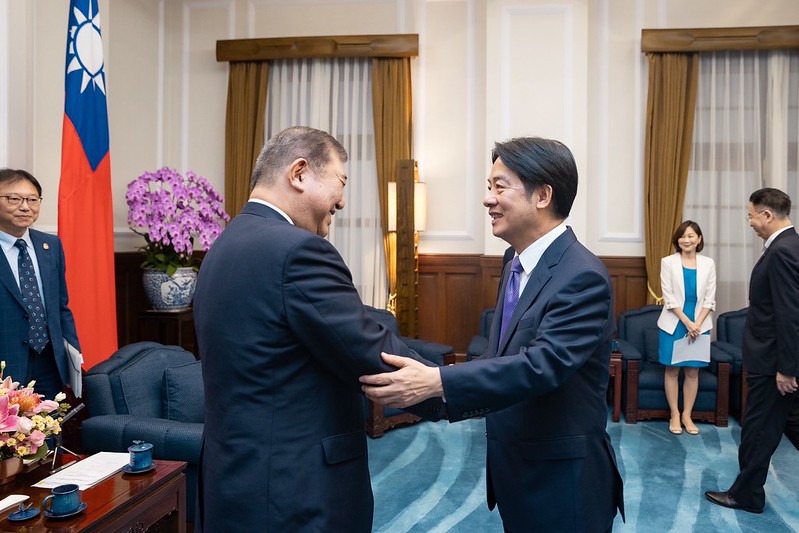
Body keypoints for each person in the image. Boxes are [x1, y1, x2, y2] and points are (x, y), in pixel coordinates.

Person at [361, 137, 624, 532]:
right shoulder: (513, 261)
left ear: (543, 195)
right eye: (489, 187)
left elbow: (541, 366)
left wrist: (437, 380)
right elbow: (500, 360)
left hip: (561, 482)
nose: (488, 199)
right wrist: (429, 395)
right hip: (516, 470)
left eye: (500, 187)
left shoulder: (582, 275)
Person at [192, 126, 444, 532]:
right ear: (299, 173)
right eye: (340, 182)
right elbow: (369, 351)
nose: (342, 201)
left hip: (235, 479)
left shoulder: (223, 246)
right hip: (295, 491)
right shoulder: (297, 250)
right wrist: (458, 388)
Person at [705, 187, 799, 514]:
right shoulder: (790, 245)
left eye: (751, 216)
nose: (750, 222)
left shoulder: (782, 251)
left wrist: (787, 368)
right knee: (791, 423)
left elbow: (789, 313)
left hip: (772, 363)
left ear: (767, 214)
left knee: (757, 430)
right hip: (776, 359)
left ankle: (746, 495)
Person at [0, 168, 80, 400]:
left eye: (32, 200)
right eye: (14, 199)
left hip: (49, 361)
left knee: (50, 422)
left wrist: (73, 355)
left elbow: (61, 307)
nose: (25, 207)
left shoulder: (50, 245)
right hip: (5, 362)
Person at [657, 220, 716, 435]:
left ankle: (687, 415)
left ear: (699, 239)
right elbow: (669, 298)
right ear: (677, 240)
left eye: (691, 236)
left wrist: (697, 324)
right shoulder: (668, 262)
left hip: (700, 324)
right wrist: (688, 323)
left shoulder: (708, 263)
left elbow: (710, 299)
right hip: (674, 323)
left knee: (692, 371)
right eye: (682, 236)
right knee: (672, 370)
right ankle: (674, 414)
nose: (686, 240)